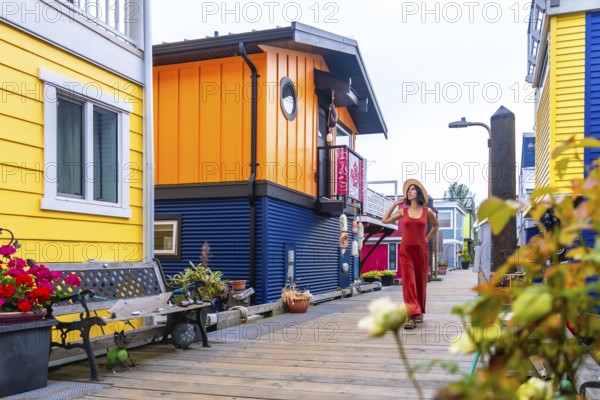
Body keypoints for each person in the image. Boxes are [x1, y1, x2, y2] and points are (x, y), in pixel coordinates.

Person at [381, 179, 439, 330]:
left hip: (421, 250)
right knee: (408, 282)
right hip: (406, 250)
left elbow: (436, 225)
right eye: (408, 190)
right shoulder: (403, 211)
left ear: (418, 193)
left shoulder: (428, 212)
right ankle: (411, 315)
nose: (409, 191)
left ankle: (418, 312)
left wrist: (427, 239)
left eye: (412, 189)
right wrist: (395, 204)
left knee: (420, 282)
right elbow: (385, 220)